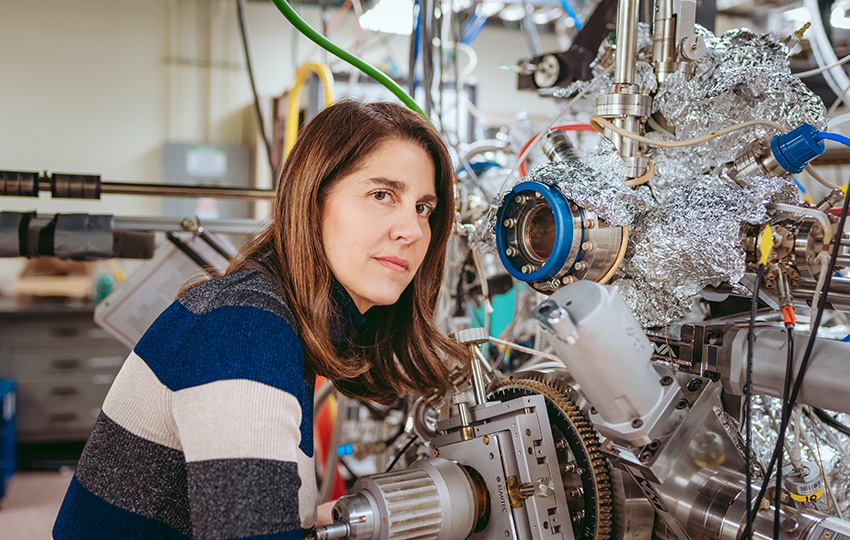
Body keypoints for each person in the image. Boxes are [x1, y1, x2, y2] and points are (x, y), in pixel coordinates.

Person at [52, 100, 467, 540]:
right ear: (312, 201)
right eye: (382, 195)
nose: (414, 230)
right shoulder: (245, 331)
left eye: (423, 207)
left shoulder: (273, 318)